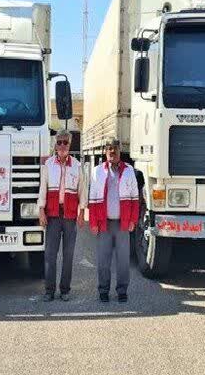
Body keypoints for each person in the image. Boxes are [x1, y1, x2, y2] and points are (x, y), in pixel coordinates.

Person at [88, 138, 139, 303]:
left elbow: (134, 198)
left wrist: (133, 220)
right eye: (109, 149)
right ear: (105, 152)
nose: (112, 151)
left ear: (119, 151)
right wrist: (93, 222)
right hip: (104, 223)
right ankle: (103, 290)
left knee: (123, 260)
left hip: (123, 223)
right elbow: (93, 198)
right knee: (103, 260)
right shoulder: (97, 171)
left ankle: (122, 291)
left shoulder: (129, 170)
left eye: (115, 148)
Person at [38, 129, 87, 302]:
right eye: (59, 142)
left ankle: (65, 290)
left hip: (70, 215)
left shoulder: (77, 166)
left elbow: (82, 190)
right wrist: (40, 210)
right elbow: (43, 188)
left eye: (65, 142)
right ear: (55, 144)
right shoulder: (48, 165)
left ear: (70, 144)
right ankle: (49, 291)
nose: (62, 145)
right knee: (50, 255)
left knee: (68, 255)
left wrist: (82, 212)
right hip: (52, 214)